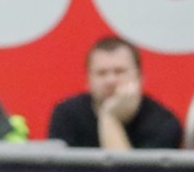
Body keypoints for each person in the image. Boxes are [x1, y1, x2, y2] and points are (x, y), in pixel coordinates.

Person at [47, 36, 183, 150]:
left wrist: (110, 118)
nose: (110, 80)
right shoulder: (66, 115)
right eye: (101, 73)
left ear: (140, 77)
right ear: (88, 80)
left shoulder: (164, 123)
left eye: (119, 71)